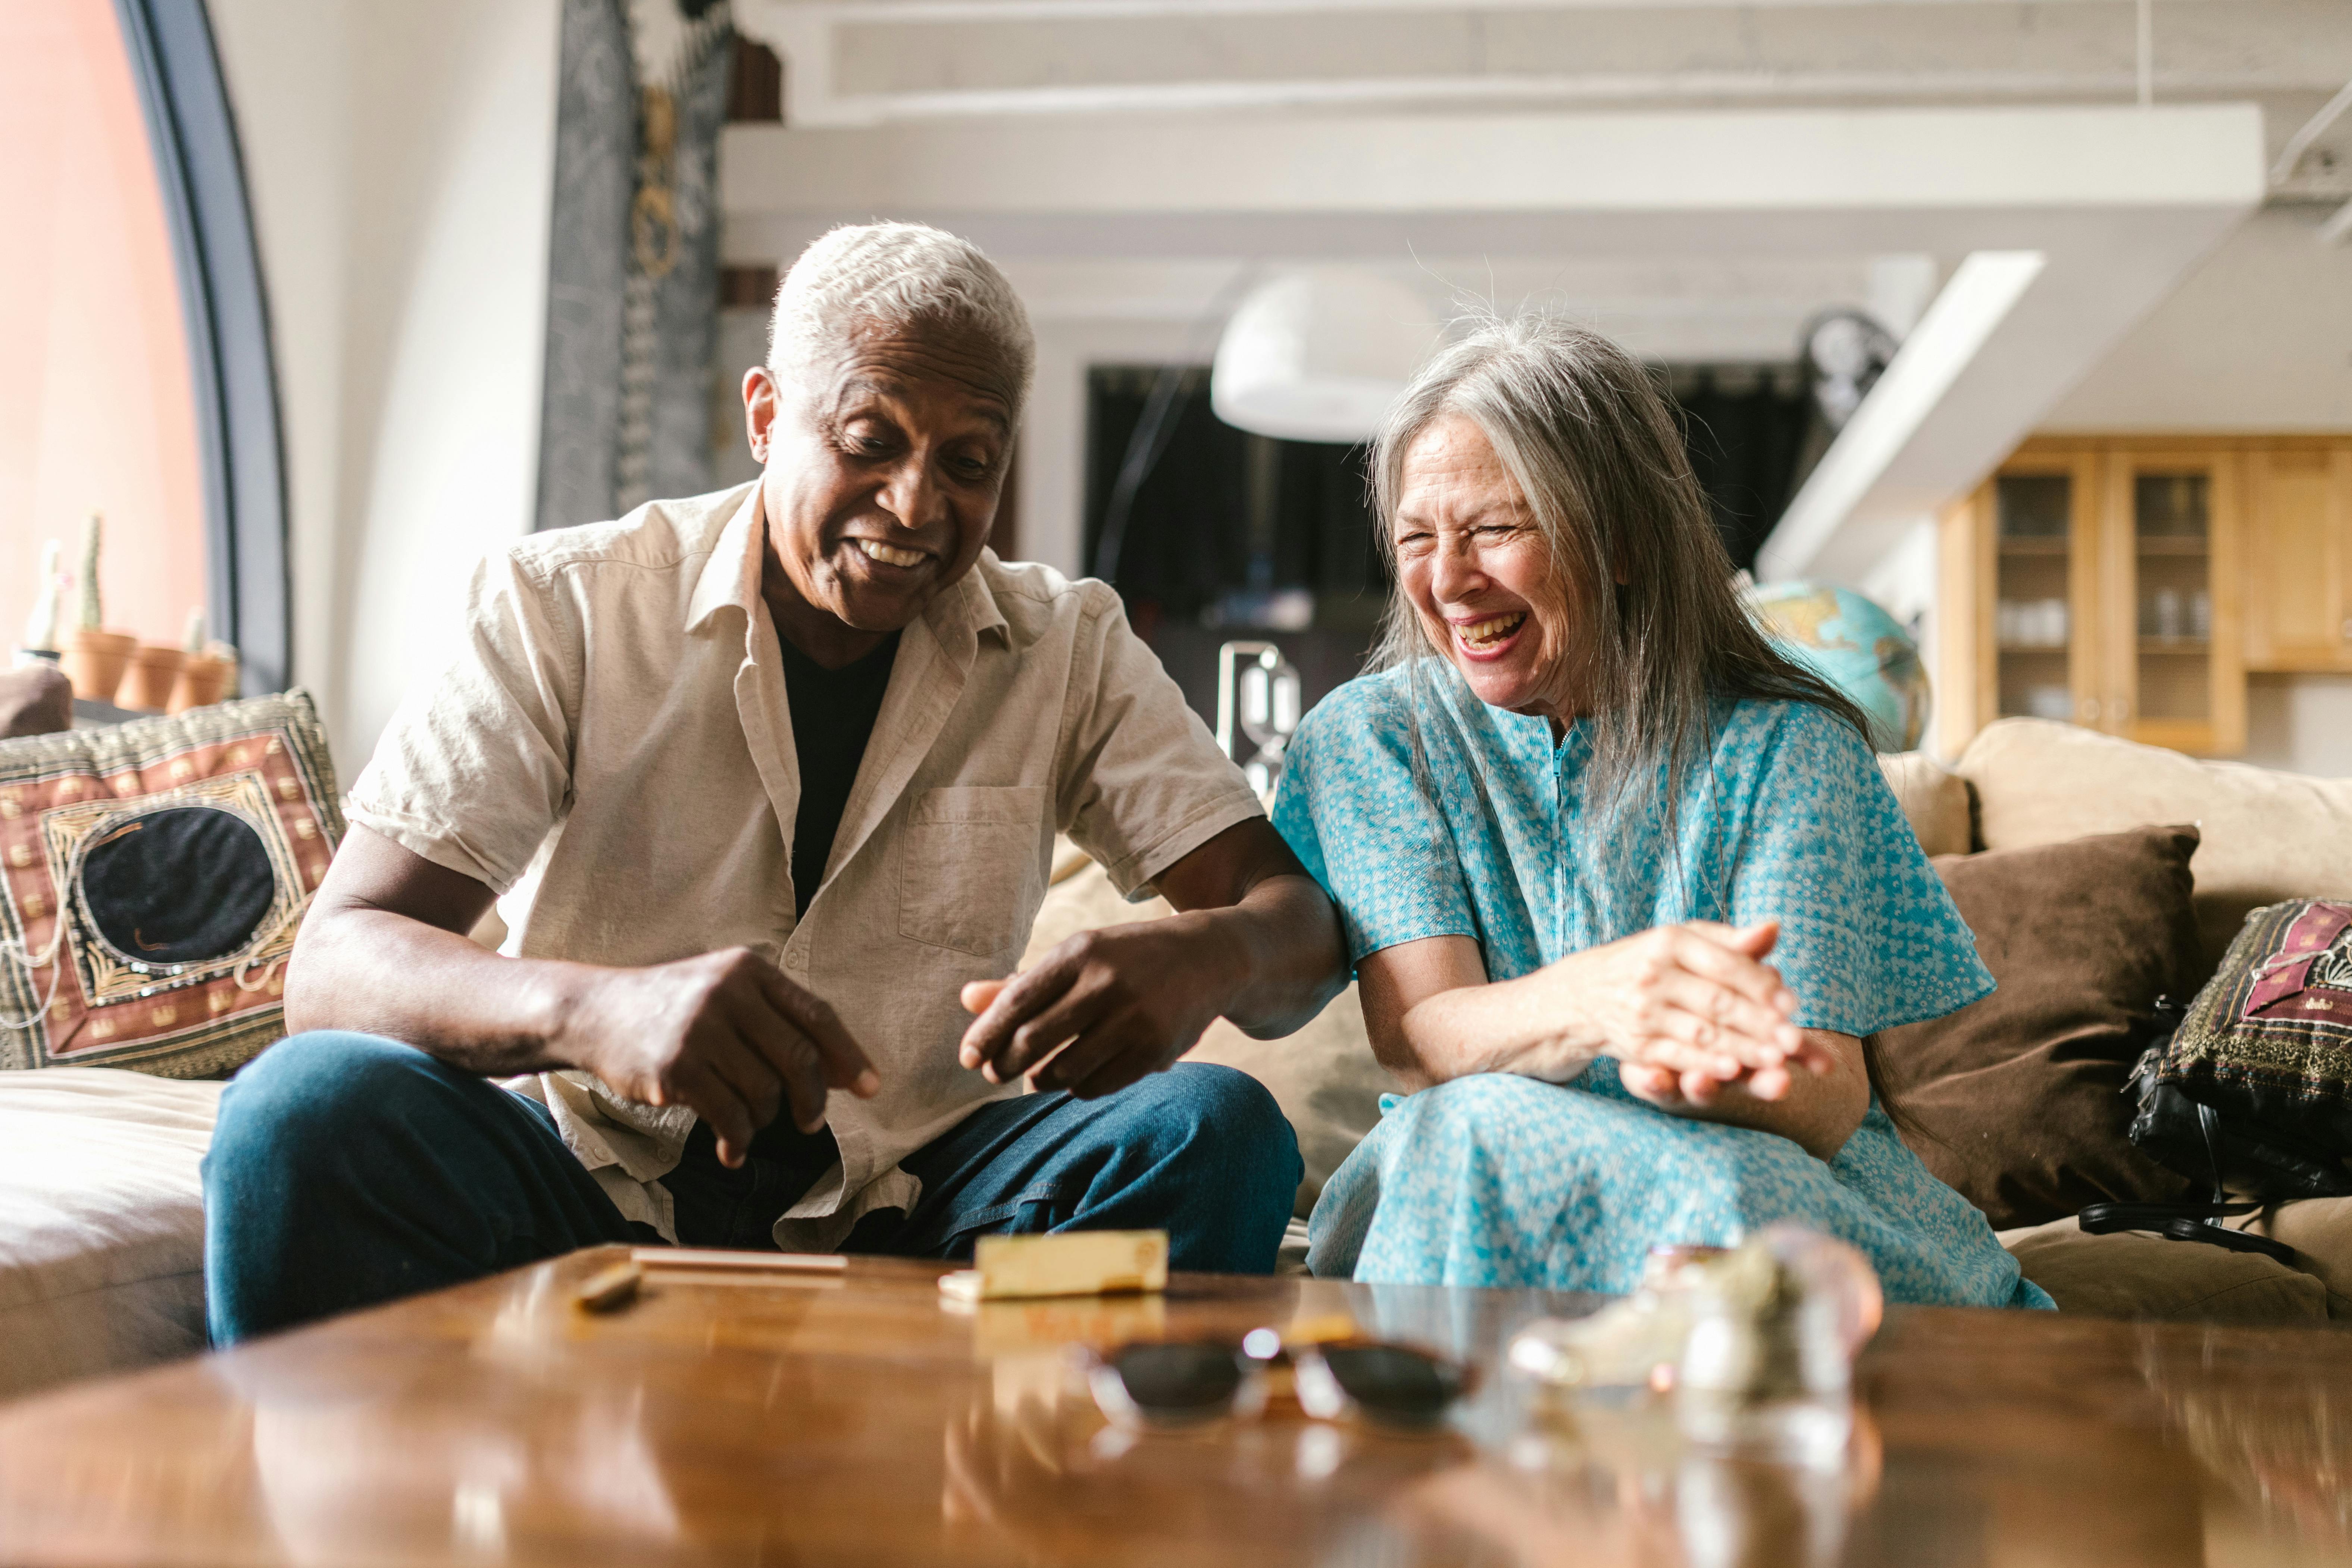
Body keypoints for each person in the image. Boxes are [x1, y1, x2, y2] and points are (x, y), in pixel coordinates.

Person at [203, 222, 1345, 1343]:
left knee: (1220, 1130)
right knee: (299, 1114)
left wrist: (1212, 954)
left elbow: (1293, 928)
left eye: (968, 463)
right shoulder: (565, 606)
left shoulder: (1069, 647)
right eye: (868, 441)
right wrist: (593, 1010)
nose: (914, 504)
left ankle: (996, 1503)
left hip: (931, 1221)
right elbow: (338, 961)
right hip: (588, 1200)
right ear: (765, 418)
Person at [1270, 312, 2048, 1308]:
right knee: (1466, 1130)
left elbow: (1825, 1099)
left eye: (1497, 529)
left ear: (1627, 540)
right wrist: (1605, 1000)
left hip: (1742, 1164)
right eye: (1418, 538)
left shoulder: (1789, 746)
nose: (1449, 580)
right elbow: (1424, 1043)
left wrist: (1719, 1080)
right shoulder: (1372, 738)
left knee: (1727, 1195)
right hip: (1467, 1172)